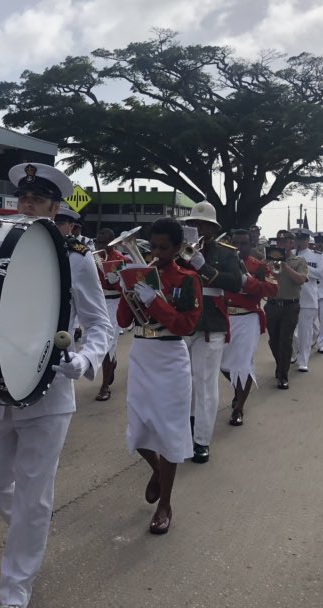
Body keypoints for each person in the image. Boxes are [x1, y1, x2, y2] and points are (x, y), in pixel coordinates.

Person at [0, 162, 113, 608]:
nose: (27, 204)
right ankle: (32, 525)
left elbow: (100, 323)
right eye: (23, 198)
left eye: (36, 199)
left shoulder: (75, 255)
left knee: (33, 493)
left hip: (48, 393)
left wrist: (85, 359)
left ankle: (16, 588)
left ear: (54, 206)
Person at [117, 217, 202, 535]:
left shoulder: (187, 279)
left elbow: (186, 325)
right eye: (152, 246)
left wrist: (156, 301)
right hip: (142, 353)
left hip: (169, 356)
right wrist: (126, 289)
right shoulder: (140, 273)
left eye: (164, 247)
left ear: (178, 248)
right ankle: (158, 470)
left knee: (168, 431)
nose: (157, 252)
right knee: (138, 428)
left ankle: (165, 503)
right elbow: (124, 319)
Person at [179, 202, 242, 464]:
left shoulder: (227, 253)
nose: (197, 228)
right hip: (182, 320)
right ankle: (184, 432)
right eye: (193, 224)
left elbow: (235, 284)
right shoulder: (177, 251)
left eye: (202, 224)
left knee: (204, 383)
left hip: (209, 322)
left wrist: (203, 266)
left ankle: (202, 440)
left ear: (212, 228)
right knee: (183, 383)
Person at [220, 229, 278, 426]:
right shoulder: (221, 265)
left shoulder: (259, 267)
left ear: (250, 245)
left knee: (243, 365)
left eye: (243, 243)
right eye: (234, 242)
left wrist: (248, 281)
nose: (238, 247)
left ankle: (239, 409)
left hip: (247, 318)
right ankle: (238, 391)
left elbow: (272, 289)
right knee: (222, 364)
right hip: (224, 317)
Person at [264, 230, 308, 389]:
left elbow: (301, 279)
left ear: (291, 243)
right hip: (273, 305)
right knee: (273, 341)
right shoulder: (268, 261)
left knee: (285, 340)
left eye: (284, 242)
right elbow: (261, 277)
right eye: (279, 242)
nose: (281, 245)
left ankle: (283, 375)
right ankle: (280, 364)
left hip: (290, 306)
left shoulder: (299, 261)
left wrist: (284, 265)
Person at [93, 227, 125, 401]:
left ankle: (104, 387)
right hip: (97, 302)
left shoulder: (121, 259)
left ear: (112, 243)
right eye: (98, 241)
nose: (100, 244)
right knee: (96, 341)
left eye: (104, 242)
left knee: (107, 344)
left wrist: (117, 282)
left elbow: (128, 287)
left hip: (114, 303)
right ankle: (111, 364)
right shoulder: (93, 257)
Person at [292, 228, 323, 373]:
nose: (299, 242)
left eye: (302, 239)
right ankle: (293, 353)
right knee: (289, 332)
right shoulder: (289, 255)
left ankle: (303, 360)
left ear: (307, 241)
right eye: (297, 239)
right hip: (290, 297)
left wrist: (303, 269)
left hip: (308, 299)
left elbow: (321, 274)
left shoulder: (316, 256)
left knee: (305, 332)